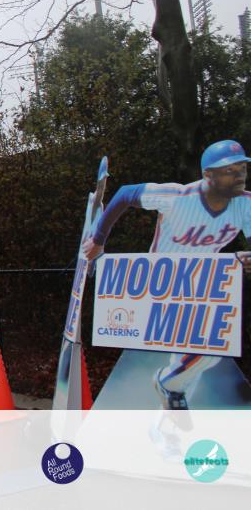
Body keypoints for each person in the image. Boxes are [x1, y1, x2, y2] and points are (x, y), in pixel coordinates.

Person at [83, 139, 251, 410]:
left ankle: (169, 407)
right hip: (161, 283)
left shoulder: (246, 204)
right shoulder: (178, 197)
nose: (240, 176)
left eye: (242, 168)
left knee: (204, 354)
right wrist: (99, 239)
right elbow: (126, 194)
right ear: (208, 175)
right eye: (230, 170)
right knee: (205, 352)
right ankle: (169, 387)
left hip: (200, 286)